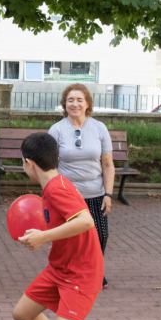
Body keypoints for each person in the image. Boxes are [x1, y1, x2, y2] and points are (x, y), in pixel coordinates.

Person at [11, 132, 117, 320]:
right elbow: (67, 223)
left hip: (81, 275)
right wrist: (49, 235)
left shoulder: (57, 189)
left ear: (28, 164)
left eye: (23, 163)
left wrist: (44, 236)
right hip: (59, 267)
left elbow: (85, 221)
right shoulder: (53, 185)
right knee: (22, 313)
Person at [49, 84, 115, 289]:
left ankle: (95, 271)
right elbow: (50, 166)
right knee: (69, 239)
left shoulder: (99, 128)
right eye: (70, 100)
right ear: (64, 104)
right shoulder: (57, 129)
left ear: (87, 104)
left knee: (100, 235)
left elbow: (107, 164)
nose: (74, 104)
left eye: (79, 100)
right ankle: (69, 274)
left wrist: (108, 194)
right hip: (67, 195)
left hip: (95, 193)